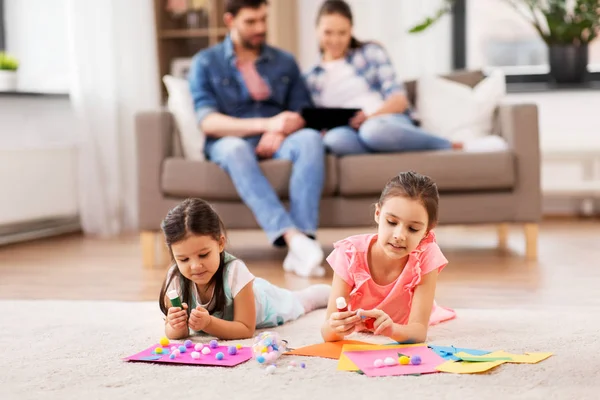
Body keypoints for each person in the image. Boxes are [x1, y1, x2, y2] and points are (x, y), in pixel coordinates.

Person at [188, 0, 326, 277]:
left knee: (310, 139)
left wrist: (280, 129)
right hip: (231, 140)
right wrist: (266, 124)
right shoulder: (206, 62)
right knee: (236, 149)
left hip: (277, 140)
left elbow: (304, 113)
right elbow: (209, 122)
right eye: (251, 22)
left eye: (263, 19)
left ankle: (304, 243)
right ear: (230, 21)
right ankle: (294, 239)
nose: (260, 28)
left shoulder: (284, 61)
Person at [158, 198, 331, 340]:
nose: (195, 266)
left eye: (203, 255)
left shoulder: (235, 272)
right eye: (183, 259)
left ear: (220, 243)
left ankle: (327, 292)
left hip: (264, 301)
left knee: (299, 302)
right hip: (243, 293)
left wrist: (209, 324)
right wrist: (176, 325)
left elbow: (246, 329)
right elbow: (176, 334)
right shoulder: (175, 280)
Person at [304, 0, 457, 156]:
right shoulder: (310, 77)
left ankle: (445, 144)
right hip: (347, 131)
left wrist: (370, 118)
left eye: (342, 33)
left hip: (385, 121)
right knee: (334, 141)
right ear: (317, 30)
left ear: (351, 30)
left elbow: (399, 100)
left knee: (373, 132)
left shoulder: (371, 52)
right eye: (328, 32)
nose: (335, 40)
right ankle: (382, 146)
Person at [320, 171, 456, 343]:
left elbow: (419, 332)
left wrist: (392, 330)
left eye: (413, 229)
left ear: (427, 231)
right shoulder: (349, 253)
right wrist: (336, 327)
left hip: (403, 324)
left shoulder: (426, 255)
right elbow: (328, 332)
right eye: (391, 222)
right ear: (377, 213)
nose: (399, 235)